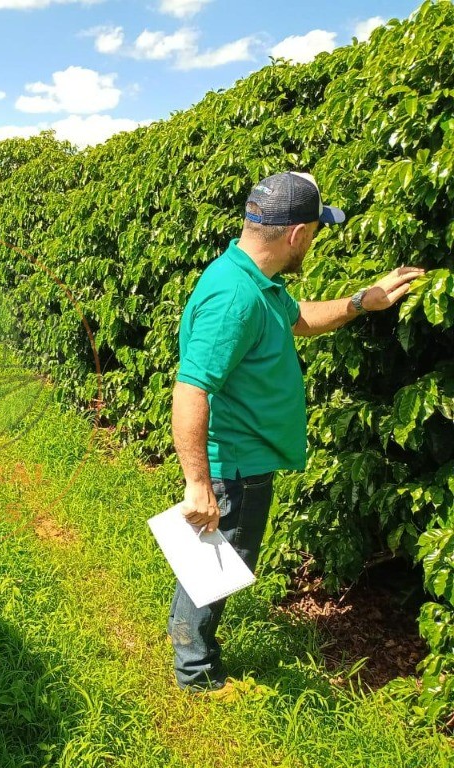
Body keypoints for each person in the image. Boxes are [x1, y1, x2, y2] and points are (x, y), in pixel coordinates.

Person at [167, 171, 425, 694]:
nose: (314, 239)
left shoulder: (253, 281)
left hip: (243, 461)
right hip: (234, 465)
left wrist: (359, 302)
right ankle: (195, 675)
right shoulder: (234, 298)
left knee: (211, 560)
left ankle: (191, 654)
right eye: (315, 230)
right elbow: (190, 388)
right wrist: (199, 483)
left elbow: (299, 318)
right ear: (297, 236)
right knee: (217, 566)